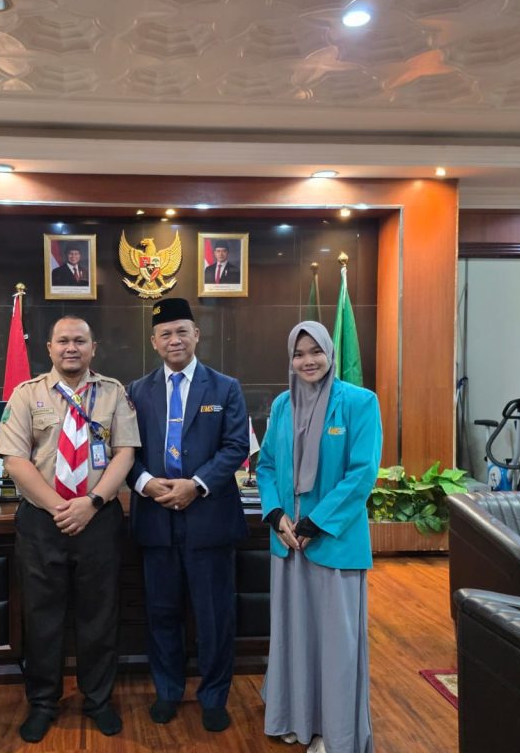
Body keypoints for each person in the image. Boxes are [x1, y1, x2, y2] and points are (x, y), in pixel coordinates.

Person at [0, 316, 139, 743]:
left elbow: (125, 453)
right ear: (49, 348)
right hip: (44, 521)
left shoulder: (113, 393)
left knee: (100, 615)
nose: (71, 348)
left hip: (99, 519)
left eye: (79, 341)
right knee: (42, 618)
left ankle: (98, 701)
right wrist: (61, 507)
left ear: (94, 348)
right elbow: (14, 459)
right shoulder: (27, 394)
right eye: (63, 341)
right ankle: (43, 703)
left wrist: (91, 503)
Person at [256, 321, 382, 753]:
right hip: (288, 543)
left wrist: (316, 523)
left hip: (333, 541)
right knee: (294, 637)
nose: (307, 361)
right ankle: (296, 718)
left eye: (315, 351)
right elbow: (266, 465)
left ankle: (336, 733)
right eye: (299, 353)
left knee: (336, 644)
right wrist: (276, 515)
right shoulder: (282, 405)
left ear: (330, 353)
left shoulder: (360, 402)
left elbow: (362, 473)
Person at [126, 297, 249, 732]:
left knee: (214, 616)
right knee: (162, 612)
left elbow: (236, 446)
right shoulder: (135, 392)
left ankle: (214, 696)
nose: (174, 340)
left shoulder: (225, 388)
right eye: (165, 334)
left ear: (196, 335)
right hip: (155, 518)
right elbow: (124, 451)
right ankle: (168, 691)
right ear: (154, 342)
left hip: (209, 519)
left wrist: (195, 484)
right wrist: (145, 483)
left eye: (182, 331)